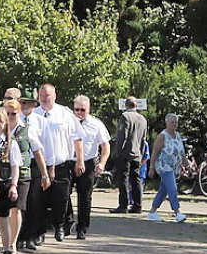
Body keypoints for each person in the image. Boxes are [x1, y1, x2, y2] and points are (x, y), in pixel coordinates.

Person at [27, 83, 82, 245]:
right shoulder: (33, 115)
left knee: (61, 198)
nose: (44, 98)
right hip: (39, 164)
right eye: (41, 95)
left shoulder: (64, 114)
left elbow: (77, 138)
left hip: (61, 164)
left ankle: (59, 226)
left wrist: (79, 160)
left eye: (47, 95)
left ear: (54, 96)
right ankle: (40, 232)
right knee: (39, 201)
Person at [0, 99, 46, 254]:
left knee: (16, 208)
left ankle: (12, 244)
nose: (10, 117)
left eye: (13, 114)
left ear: (19, 113)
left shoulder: (27, 130)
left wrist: (45, 174)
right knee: (3, 211)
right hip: (3, 174)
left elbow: (37, 152)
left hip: (23, 173)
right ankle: (6, 243)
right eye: (8, 113)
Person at [68, 95, 111, 240]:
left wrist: (102, 163)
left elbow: (105, 146)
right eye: (77, 109)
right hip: (69, 161)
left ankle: (82, 228)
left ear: (89, 109)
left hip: (88, 161)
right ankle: (67, 221)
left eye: (83, 109)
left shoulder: (96, 124)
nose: (79, 112)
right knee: (62, 194)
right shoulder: (68, 122)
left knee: (85, 197)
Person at [147, 114, 188, 222]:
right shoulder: (162, 136)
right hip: (164, 166)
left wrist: (186, 164)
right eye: (172, 122)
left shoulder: (178, 135)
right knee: (172, 189)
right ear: (167, 123)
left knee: (163, 190)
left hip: (175, 167)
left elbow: (182, 152)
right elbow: (155, 152)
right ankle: (177, 212)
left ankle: (152, 211)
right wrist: (151, 167)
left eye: (176, 122)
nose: (174, 124)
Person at [110, 98, 149, 213]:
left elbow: (123, 135)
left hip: (125, 153)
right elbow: (143, 139)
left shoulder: (125, 116)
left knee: (123, 179)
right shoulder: (143, 119)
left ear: (126, 105)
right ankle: (138, 205)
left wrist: (116, 151)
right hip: (137, 154)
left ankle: (123, 205)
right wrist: (141, 153)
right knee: (136, 179)